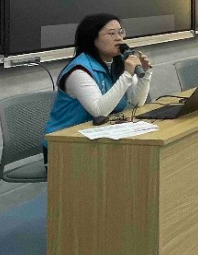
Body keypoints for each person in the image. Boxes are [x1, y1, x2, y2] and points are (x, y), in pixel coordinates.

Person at [44, 14, 153, 155]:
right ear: (93, 39)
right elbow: (99, 112)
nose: (119, 38)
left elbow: (137, 101)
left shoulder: (119, 62)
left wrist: (145, 74)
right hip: (64, 144)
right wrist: (127, 75)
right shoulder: (79, 70)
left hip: (98, 137)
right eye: (111, 34)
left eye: (120, 32)